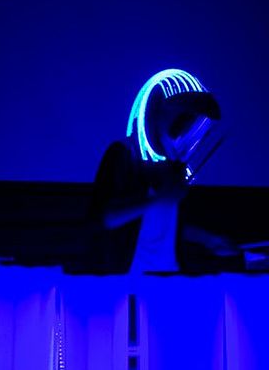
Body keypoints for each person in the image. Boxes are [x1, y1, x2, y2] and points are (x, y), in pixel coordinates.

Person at [84, 69, 238, 274]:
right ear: (159, 114)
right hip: (132, 280)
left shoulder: (173, 167)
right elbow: (104, 217)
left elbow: (164, 225)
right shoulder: (124, 153)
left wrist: (209, 240)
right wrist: (157, 199)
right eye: (186, 122)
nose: (188, 134)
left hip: (170, 278)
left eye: (196, 127)